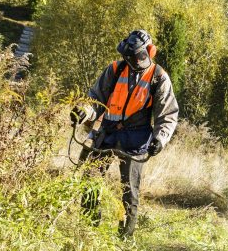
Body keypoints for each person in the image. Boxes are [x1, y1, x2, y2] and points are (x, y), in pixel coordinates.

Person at [70, 29, 179, 237]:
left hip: (136, 139)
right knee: (90, 181)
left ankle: (125, 237)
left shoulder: (159, 77)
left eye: (139, 56)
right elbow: (96, 99)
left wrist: (160, 139)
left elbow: (168, 115)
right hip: (107, 133)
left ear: (148, 52)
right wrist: (83, 112)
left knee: (130, 192)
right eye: (131, 56)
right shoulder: (114, 69)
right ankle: (88, 230)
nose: (135, 60)